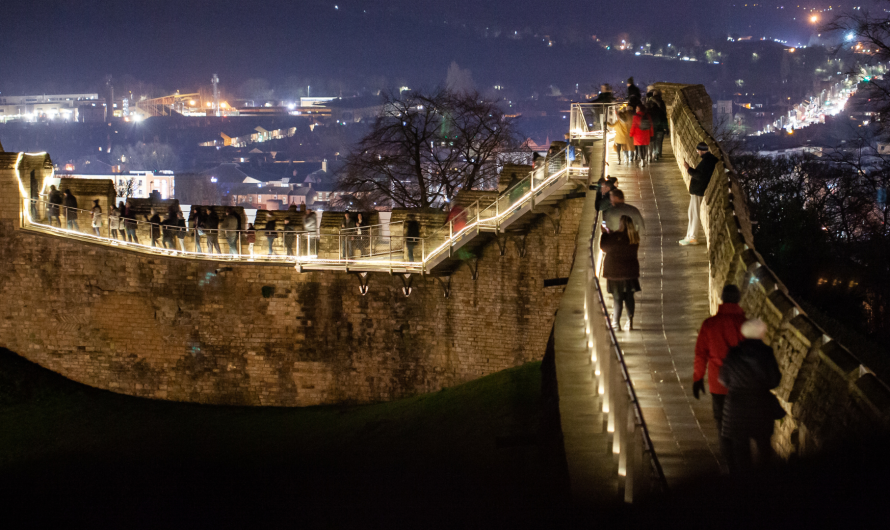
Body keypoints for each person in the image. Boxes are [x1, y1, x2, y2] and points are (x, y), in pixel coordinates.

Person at [692, 284, 747, 470]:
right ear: (738, 299)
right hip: (741, 385)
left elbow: (701, 354)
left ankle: (730, 466)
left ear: (722, 299)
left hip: (718, 385)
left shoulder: (709, 325)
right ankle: (743, 469)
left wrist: (698, 378)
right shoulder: (745, 325)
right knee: (740, 426)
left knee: (723, 426)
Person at [719, 318, 782, 473]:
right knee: (763, 447)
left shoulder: (733, 353)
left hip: (736, 408)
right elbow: (774, 380)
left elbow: (722, 378)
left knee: (741, 451)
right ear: (760, 334)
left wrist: (736, 386)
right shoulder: (766, 353)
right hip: (760, 406)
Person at [600, 215, 641, 331]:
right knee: (629, 297)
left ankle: (616, 323)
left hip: (615, 273)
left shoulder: (614, 237)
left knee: (617, 298)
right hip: (630, 273)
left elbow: (605, 247)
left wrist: (605, 234)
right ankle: (630, 321)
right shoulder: (634, 237)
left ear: (621, 224)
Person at [680, 142, 718, 246]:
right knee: (691, 213)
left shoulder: (707, 161)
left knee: (694, 213)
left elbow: (700, 176)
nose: (697, 153)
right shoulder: (708, 160)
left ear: (702, 150)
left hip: (698, 190)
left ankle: (693, 237)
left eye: (698, 151)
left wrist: (688, 169)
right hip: (696, 190)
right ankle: (689, 236)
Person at [647, 90, 668, 161]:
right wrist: (666, 128)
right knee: (659, 142)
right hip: (660, 127)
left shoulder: (649, 104)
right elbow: (664, 117)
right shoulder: (661, 103)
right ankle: (657, 154)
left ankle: (653, 154)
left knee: (652, 142)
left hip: (652, 127)